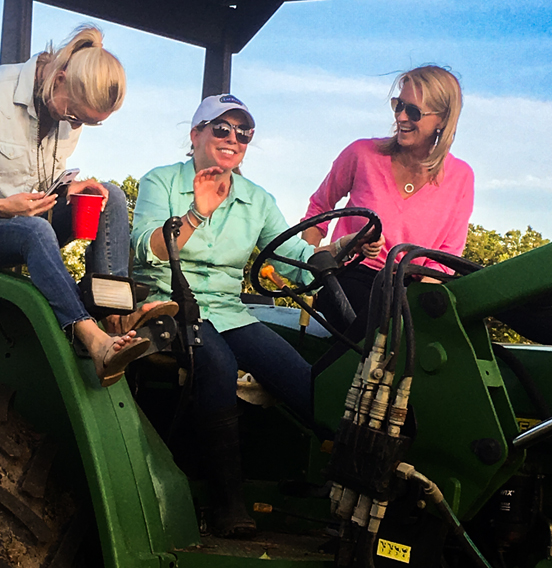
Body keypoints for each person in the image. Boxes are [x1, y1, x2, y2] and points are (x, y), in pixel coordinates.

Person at [131, 94, 381, 538]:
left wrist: (346, 246)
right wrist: (197, 213)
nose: (233, 138)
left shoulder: (257, 200)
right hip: (169, 304)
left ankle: (354, 493)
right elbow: (145, 250)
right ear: (195, 135)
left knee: (302, 378)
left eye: (243, 132)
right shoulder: (161, 181)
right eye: (221, 128)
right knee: (218, 363)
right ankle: (227, 501)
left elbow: (296, 259)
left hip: (228, 311)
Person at [0, 25, 169, 386]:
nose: (75, 124)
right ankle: (94, 341)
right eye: (75, 116)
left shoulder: (65, 112)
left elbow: (40, 182)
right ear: (60, 79)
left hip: (15, 224)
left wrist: (67, 187)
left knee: (110, 195)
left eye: (86, 122)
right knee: (33, 230)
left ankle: (114, 316)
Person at [301, 65, 473, 333]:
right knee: (370, 322)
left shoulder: (461, 177)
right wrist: (305, 266)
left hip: (408, 289)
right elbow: (320, 208)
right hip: (351, 275)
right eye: (398, 105)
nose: (401, 116)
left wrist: (416, 308)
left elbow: (446, 257)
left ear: (441, 120)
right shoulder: (361, 154)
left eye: (413, 111)